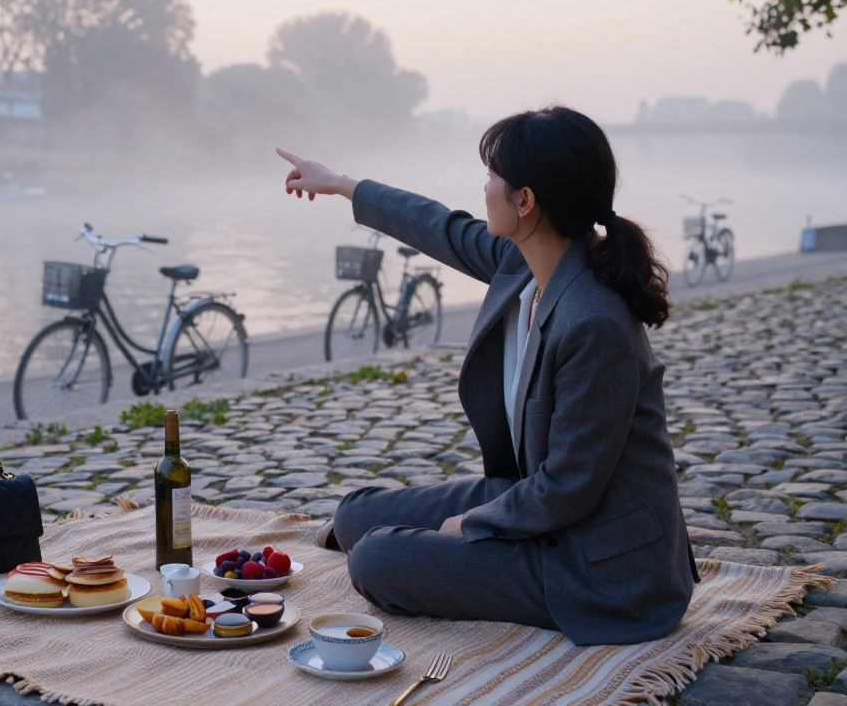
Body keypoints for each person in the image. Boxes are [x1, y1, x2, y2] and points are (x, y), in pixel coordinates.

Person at [277, 106, 698, 646]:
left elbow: (569, 486)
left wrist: (478, 524)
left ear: (525, 202)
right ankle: (438, 543)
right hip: (539, 506)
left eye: (493, 177)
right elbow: (439, 227)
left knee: (378, 558)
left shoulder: (594, 322)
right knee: (355, 514)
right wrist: (340, 184)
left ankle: (449, 552)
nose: (485, 188)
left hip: (598, 567)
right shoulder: (526, 262)